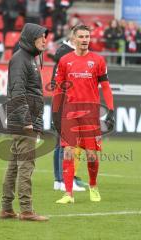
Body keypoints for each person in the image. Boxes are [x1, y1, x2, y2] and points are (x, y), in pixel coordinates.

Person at [52, 25, 114, 204]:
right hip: (70, 113)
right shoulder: (64, 60)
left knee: (92, 155)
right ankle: (68, 193)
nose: (85, 39)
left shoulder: (98, 60)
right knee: (69, 152)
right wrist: (55, 113)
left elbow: (106, 87)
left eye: (87, 36)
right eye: (81, 36)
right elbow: (58, 89)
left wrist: (110, 109)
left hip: (91, 114)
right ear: (74, 38)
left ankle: (93, 186)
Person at [0, 23, 49, 221]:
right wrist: (28, 120)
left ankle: (6, 208)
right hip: (24, 122)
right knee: (26, 166)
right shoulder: (21, 59)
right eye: (42, 37)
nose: (45, 40)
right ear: (31, 38)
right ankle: (27, 210)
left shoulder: (28, 58)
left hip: (23, 120)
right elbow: (18, 91)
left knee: (13, 166)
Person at [51, 28, 87, 191]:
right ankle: (66, 181)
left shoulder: (62, 54)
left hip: (60, 104)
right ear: (74, 38)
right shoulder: (67, 56)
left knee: (61, 144)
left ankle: (59, 180)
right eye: (81, 37)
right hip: (67, 105)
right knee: (67, 144)